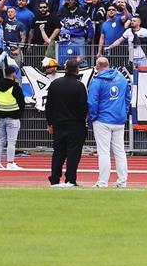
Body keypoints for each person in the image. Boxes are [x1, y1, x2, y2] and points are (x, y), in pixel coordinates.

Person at [87, 56, 131, 188]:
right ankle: (122, 181)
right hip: (118, 119)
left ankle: (103, 181)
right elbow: (127, 98)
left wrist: (92, 117)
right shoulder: (122, 79)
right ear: (108, 65)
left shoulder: (97, 81)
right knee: (120, 151)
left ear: (98, 66)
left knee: (103, 152)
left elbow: (92, 102)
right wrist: (123, 112)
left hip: (102, 119)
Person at [46, 58, 88, 187]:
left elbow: (49, 105)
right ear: (77, 70)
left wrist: (49, 123)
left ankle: (54, 179)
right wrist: (83, 123)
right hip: (75, 125)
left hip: (58, 124)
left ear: (65, 69)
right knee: (73, 154)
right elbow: (83, 108)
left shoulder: (55, 84)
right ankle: (70, 179)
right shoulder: (79, 86)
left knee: (58, 152)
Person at [0, 65, 26, 170]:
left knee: (0, 140)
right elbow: (21, 103)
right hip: (13, 117)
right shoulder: (15, 87)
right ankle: (10, 163)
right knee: (11, 142)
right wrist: (19, 114)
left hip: (0, 117)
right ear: (13, 74)